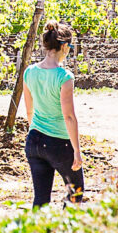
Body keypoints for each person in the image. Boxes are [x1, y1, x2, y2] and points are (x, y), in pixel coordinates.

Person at [21, 21, 87, 207]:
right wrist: (76, 150)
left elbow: (29, 111)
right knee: (75, 193)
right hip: (59, 143)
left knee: (41, 200)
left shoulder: (29, 72)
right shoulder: (64, 77)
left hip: (34, 140)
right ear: (64, 46)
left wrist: (35, 133)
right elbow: (69, 117)